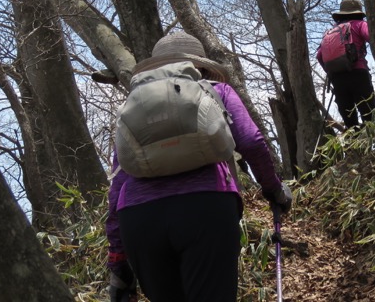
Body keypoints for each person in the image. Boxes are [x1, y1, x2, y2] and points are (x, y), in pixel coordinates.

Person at [106, 31, 292, 302]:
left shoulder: (133, 105)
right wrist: (273, 189)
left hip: (139, 217)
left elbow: (118, 183)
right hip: (207, 207)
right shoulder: (216, 91)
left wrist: (117, 256)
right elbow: (251, 141)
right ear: (201, 66)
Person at [316, 0, 375, 129]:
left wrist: (332, 70)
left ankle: (353, 144)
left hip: (338, 78)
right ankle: (372, 144)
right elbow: (374, 38)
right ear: (358, 12)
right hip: (358, 73)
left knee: (350, 122)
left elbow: (319, 56)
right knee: (369, 116)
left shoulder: (331, 31)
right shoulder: (360, 24)